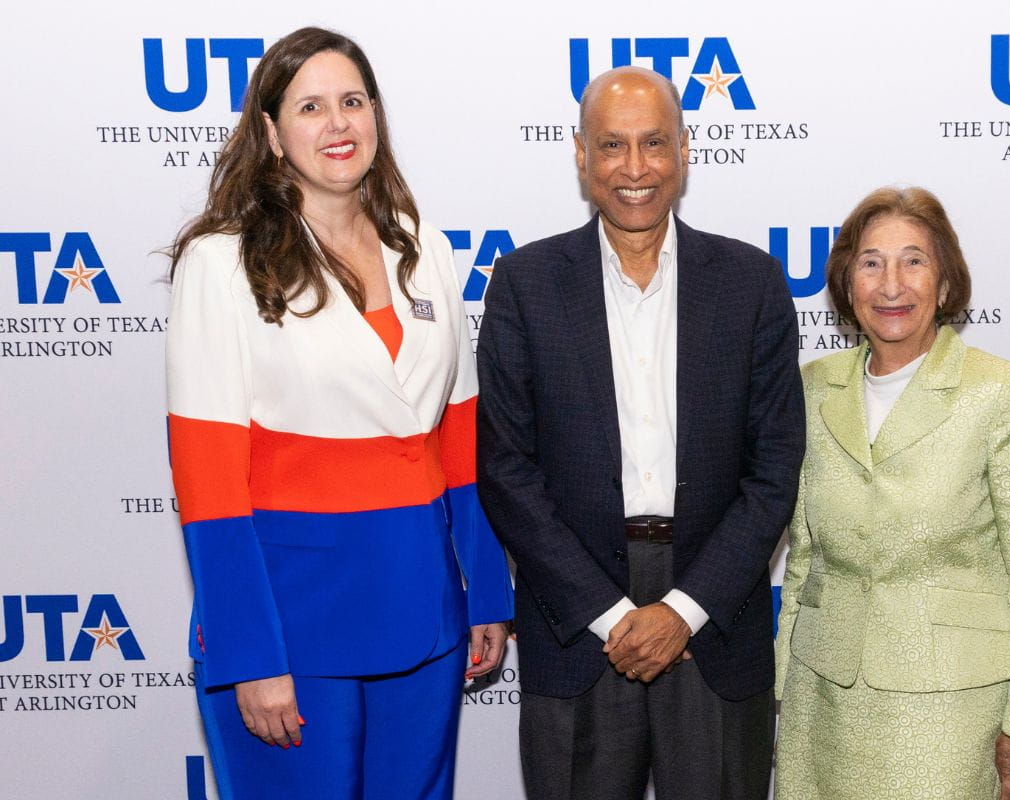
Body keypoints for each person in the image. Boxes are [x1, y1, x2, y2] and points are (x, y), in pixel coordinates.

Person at [165, 27, 512, 799]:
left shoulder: (425, 246)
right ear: (270, 132)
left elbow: (459, 439)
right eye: (311, 106)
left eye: (352, 101)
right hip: (291, 630)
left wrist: (487, 590)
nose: (338, 123)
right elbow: (208, 481)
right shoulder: (220, 263)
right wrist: (250, 654)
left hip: (424, 614)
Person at [476, 66, 803, 800]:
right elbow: (505, 467)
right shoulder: (524, 285)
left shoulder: (753, 284)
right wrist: (615, 615)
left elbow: (775, 469)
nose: (635, 169)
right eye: (612, 145)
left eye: (654, 143)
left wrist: (682, 612)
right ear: (580, 154)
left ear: (684, 150)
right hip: (578, 619)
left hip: (716, 619)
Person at [774, 186, 1010, 800]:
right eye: (871, 263)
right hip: (820, 696)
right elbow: (803, 557)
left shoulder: (999, 392)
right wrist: (780, 683)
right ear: (847, 285)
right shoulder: (812, 387)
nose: (891, 284)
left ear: (947, 283)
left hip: (952, 705)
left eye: (913, 260)